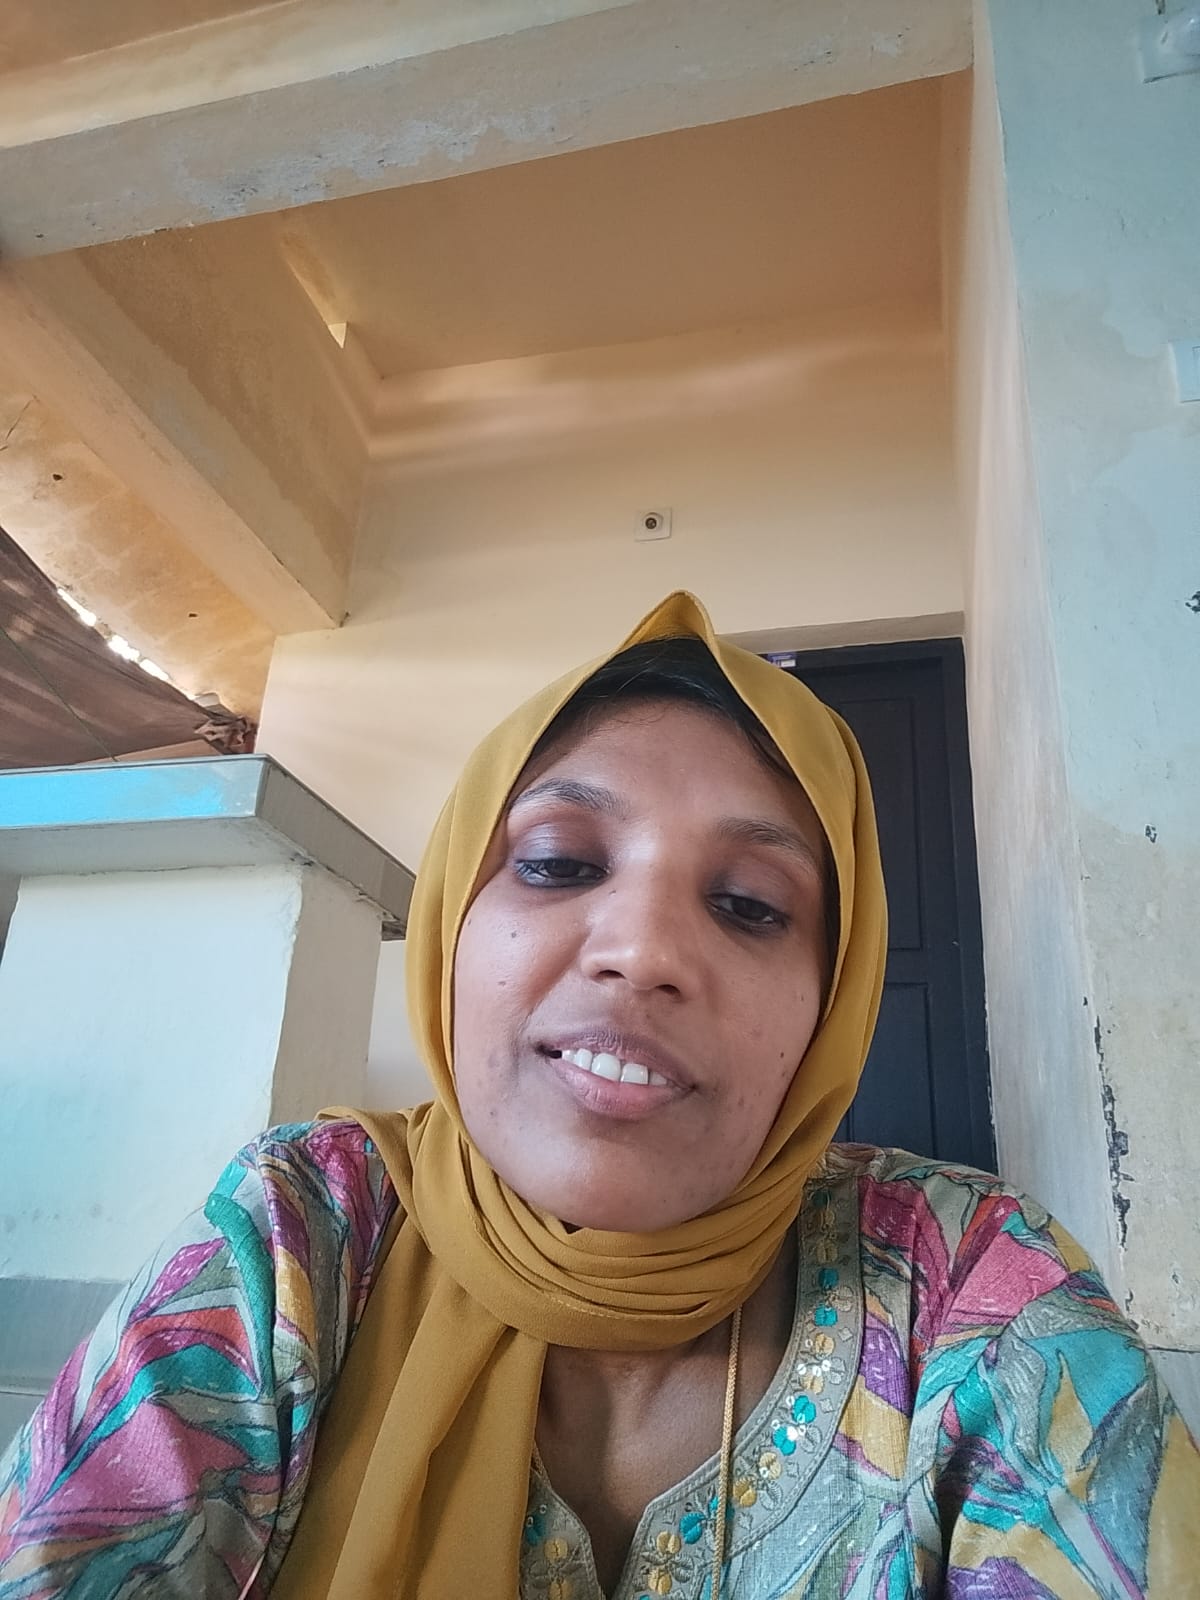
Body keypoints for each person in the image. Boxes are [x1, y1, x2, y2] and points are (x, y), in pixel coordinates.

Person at [0, 591, 1196, 1599]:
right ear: (452, 924)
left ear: (832, 1001)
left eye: (750, 905)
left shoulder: (975, 1295)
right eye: (559, 862)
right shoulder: (304, 1232)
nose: (643, 951)